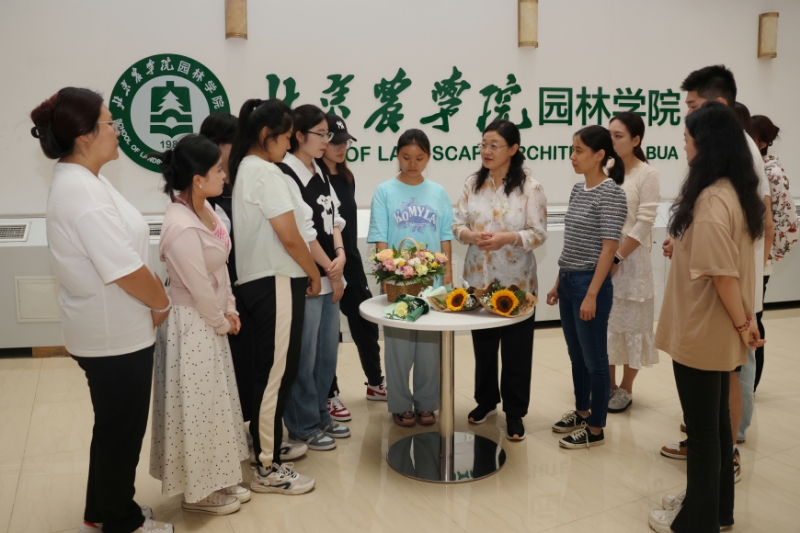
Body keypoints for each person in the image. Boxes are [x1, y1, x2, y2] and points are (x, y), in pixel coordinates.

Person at [32, 87, 173, 533]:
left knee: (114, 426)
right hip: (115, 335)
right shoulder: (83, 193)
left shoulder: (85, 180)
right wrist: (161, 302)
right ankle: (120, 520)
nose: (118, 131)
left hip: (110, 327)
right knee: (121, 431)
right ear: (86, 136)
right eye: (111, 123)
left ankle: (100, 511)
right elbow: (125, 270)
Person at [648, 101, 765, 533]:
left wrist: (744, 325)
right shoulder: (732, 190)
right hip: (714, 328)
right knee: (716, 428)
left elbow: (722, 274)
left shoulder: (713, 198)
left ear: (706, 145)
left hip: (703, 329)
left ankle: (696, 522)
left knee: (702, 432)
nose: (684, 146)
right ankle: (718, 511)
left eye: (687, 139)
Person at [148, 134, 250, 515]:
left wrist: (230, 308)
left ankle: (218, 477)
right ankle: (199, 493)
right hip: (192, 325)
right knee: (196, 408)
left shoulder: (207, 210)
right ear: (197, 179)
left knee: (214, 405)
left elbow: (219, 270)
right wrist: (222, 321)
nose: (224, 175)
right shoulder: (180, 226)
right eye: (218, 170)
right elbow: (198, 287)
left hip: (212, 320)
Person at [229, 98, 320, 495]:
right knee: (274, 374)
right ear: (267, 135)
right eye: (285, 138)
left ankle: (269, 444)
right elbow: (289, 235)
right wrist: (313, 272)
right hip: (276, 278)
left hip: (263, 280)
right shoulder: (264, 171)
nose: (288, 145)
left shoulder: (249, 168)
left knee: (269, 370)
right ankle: (267, 467)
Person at [453, 119, 548, 440]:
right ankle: (486, 401)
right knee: (484, 347)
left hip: (517, 283)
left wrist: (508, 238)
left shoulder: (530, 188)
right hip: (478, 280)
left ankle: (515, 412)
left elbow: (538, 234)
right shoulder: (472, 184)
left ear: (513, 149)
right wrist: (470, 236)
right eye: (483, 144)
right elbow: (457, 224)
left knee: (516, 351)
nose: (487, 151)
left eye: (494, 145)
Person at [546, 125, 627, 449]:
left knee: (595, 360)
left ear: (599, 155)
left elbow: (609, 248)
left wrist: (592, 294)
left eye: (579, 150)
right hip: (569, 280)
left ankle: (595, 428)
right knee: (576, 354)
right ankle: (582, 411)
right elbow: (573, 242)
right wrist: (558, 282)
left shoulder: (612, 193)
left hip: (589, 284)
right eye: (573, 149)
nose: (573, 156)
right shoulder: (579, 190)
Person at [367, 129, 454, 427]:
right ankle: (401, 404)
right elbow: (380, 236)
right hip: (398, 281)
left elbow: (445, 236)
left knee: (430, 346)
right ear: (397, 155)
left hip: (432, 282)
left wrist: (447, 277)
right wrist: (387, 273)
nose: (412, 163)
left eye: (419, 158)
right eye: (406, 157)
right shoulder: (384, 191)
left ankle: (427, 403)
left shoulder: (438, 192)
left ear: (428, 157)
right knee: (398, 346)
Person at [278, 104, 351, 451]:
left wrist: (340, 254)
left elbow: (334, 217)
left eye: (328, 134)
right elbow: (303, 231)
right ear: (298, 135)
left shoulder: (319, 169)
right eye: (320, 134)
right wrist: (329, 269)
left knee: (325, 354)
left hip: (329, 271)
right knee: (304, 357)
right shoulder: (286, 173)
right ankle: (302, 424)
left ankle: (321, 414)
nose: (326, 141)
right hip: (307, 278)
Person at [318, 113, 387, 425]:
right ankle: (329, 393)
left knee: (365, 325)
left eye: (345, 142)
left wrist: (350, 260)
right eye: (335, 142)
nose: (341, 147)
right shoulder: (313, 179)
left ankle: (375, 382)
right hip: (325, 264)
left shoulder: (347, 177)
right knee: (328, 333)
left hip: (352, 263)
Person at [606, 112, 661, 413]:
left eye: (619, 136)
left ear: (636, 140)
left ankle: (626, 388)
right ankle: (608, 385)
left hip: (632, 260)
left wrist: (618, 256)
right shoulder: (608, 169)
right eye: (610, 135)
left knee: (632, 325)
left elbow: (644, 222)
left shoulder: (646, 174)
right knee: (607, 325)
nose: (612, 141)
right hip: (605, 257)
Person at [750, 114, 798, 392]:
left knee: (755, 318)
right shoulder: (753, 167)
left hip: (760, 260)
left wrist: (765, 259)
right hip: (751, 258)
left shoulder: (772, 173)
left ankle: (751, 384)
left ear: (762, 142)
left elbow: (780, 222)